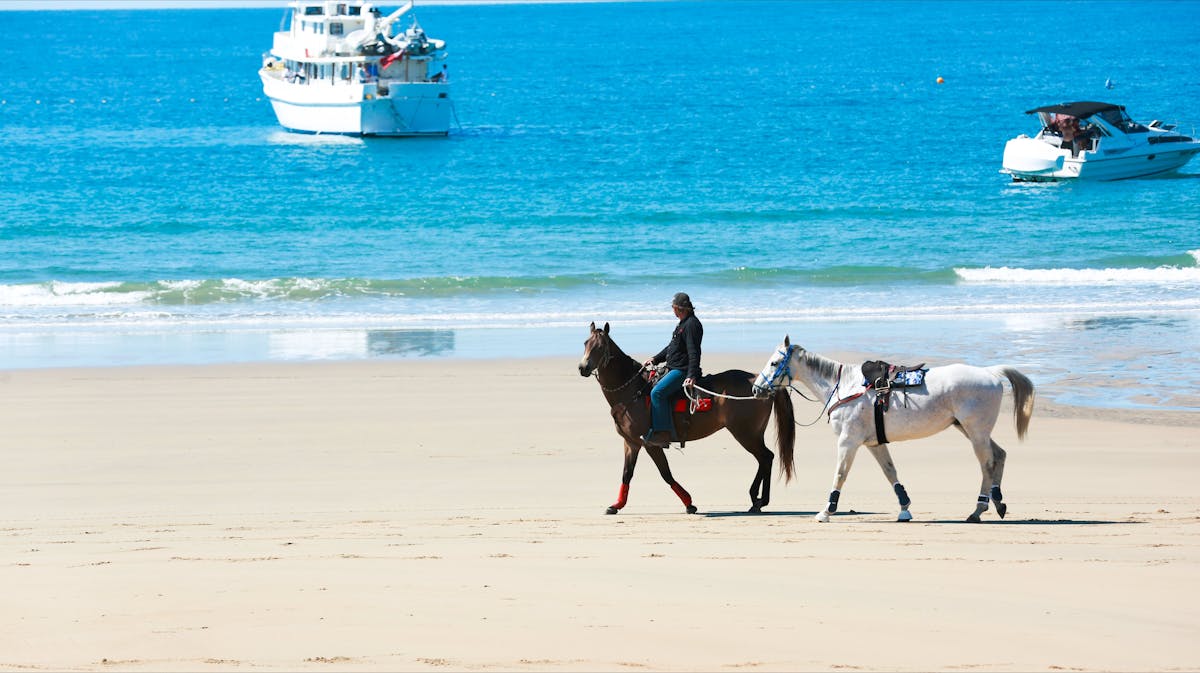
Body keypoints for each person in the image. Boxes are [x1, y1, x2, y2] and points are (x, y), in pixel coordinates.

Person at [642, 292, 703, 448]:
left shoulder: (691, 325)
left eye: (673, 307)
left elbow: (694, 352)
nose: (672, 310)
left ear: (679, 308)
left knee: (657, 393)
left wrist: (691, 375)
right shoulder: (683, 323)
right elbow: (672, 347)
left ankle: (662, 434)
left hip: (682, 371)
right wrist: (655, 358)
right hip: (673, 367)